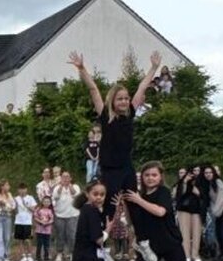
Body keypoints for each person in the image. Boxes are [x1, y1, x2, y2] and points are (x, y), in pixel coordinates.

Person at [69, 51, 161, 221]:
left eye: (126, 98)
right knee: (109, 207)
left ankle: (141, 240)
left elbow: (142, 87)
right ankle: (101, 239)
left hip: (127, 168)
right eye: (120, 99)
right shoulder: (106, 116)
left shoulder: (130, 113)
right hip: (110, 170)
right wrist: (82, 68)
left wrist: (153, 68)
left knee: (134, 203)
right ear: (112, 101)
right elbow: (93, 89)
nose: (124, 102)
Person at [175, 166, 206, 261]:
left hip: (197, 210)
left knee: (197, 233)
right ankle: (186, 255)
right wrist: (185, 182)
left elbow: (201, 194)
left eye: (197, 171)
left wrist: (192, 185)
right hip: (183, 210)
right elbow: (179, 194)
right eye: (193, 171)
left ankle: (195, 254)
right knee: (185, 233)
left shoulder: (201, 183)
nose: (195, 173)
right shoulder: (180, 183)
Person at [51, 173, 80, 261]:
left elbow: (76, 195)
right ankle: (60, 253)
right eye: (63, 177)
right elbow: (55, 197)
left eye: (67, 177)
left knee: (72, 235)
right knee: (60, 234)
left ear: (70, 178)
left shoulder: (75, 186)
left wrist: (69, 186)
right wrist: (61, 186)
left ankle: (72, 253)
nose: (65, 179)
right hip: (59, 215)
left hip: (73, 214)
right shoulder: (57, 187)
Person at [0, 181, 16, 261]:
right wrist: (3, 206)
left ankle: (6, 256)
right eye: (7, 185)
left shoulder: (9, 195)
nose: (8, 186)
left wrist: (5, 204)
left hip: (7, 217)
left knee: (7, 237)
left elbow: (13, 206)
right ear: (2, 187)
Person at [13, 185, 37, 261]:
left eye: (23, 189)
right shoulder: (16, 198)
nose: (22, 191)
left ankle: (29, 256)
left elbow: (34, 209)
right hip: (18, 221)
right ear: (18, 190)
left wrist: (26, 204)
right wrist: (14, 206)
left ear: (26, 190)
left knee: (28, 239)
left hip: (27, 222)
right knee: (20, 240)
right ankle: (23, 257)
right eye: (20, 189)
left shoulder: (30, 198)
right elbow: (14, 211)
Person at [33, 195, 54, 261]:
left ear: (50, 203)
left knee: (46, 243)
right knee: (39, 243)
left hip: (47, 230)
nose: (46, 203)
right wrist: (40, 222)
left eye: (48, 202)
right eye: (45, 201)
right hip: (39, 229)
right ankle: (38, 256)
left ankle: (46, 256)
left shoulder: (50, 210)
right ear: (42, 202)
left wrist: (48, 222)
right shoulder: (39, 209)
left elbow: (52, 219)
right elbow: (35, 217)